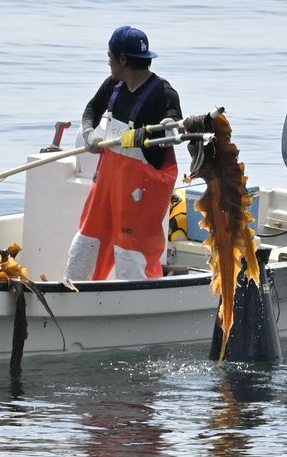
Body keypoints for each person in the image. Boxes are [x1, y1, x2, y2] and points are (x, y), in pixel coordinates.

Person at [65, 25, 182, 283]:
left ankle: (139, 305)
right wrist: (89, 133)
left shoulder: (163, 94)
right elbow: (91, 109)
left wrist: (152, 133)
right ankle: (75, 295)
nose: (108, 64)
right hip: (107, 185)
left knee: (132, 256)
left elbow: (174, 127)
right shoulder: (114, 84)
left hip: (139, 193)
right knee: (87, 243)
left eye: (110, 58)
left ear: (123, 60)